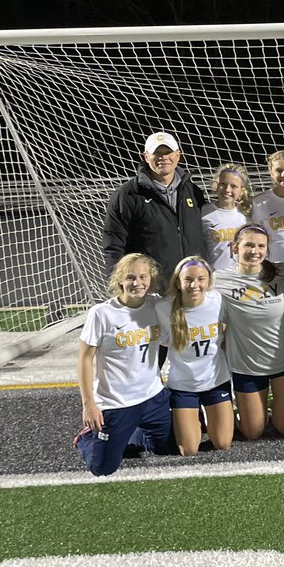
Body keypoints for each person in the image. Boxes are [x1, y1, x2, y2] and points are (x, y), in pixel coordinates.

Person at [74, 253, 175, 476]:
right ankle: (85, 438)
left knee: (171, 447)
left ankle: (130, 434)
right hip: (116, 403)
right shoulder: (101, 314)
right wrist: (89, 404)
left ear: (151, 278)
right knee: (102, 468)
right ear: (120, 280)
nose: (137, 283)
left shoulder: (157, 306)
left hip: (153, 398)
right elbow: (84, 359)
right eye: (130, 277)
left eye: (142, 276)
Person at [212, 223, 284, 440]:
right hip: (246, 364)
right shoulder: (219, 280)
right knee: (253, 432)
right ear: (234, 248)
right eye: (249, 245)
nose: (255, 251)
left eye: (261, 246)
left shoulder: (281, 272)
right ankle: (247, 411)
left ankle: (270, 409)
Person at [102, 131, 208, 283]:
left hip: (190, 287)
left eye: (168, 152)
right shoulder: (127, 195)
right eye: (156, 153)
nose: (163, 157)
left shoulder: (193, 192)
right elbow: (114, 246)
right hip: (151, 289)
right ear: (146, 157)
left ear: (178, 155)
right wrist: (118, 283)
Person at [155, 256, 233, 455]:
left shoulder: (219, 301)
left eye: (200, 279)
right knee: (188, 449)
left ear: (208, 282)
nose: (194, 285)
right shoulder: (163, 308)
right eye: (188, 279)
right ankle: (186, 421)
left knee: (223, 443)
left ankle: (211, 418)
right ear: (178, 283)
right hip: (183, 385)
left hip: (216, 381)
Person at [201, 163, 251, 270]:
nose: (227, 190)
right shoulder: (203, 213)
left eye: (234, 186)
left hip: (243, 278)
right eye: (223, 184)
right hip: (216, 279)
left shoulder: (248, 215)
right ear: (216, 185)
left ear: (241, 191)